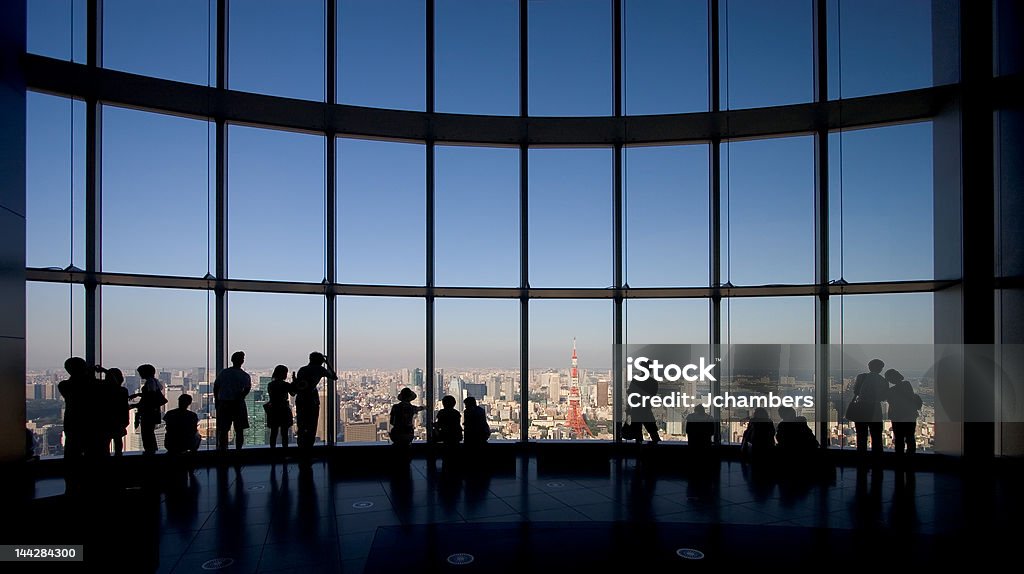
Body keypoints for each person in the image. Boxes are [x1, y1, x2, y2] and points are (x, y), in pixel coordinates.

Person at [294, 352, 338, 450]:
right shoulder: (320, 369)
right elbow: (334, 377)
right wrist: (328, 363)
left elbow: (299, 385)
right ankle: (309, 449)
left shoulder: (302, 369)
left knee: (301, 424)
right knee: (312, 426)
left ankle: (301, 448)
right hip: (312, 400)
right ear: (320, 361)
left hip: (301, 399)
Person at [213, 351, 252, 451]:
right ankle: (238, 450)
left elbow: (216, 387)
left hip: (224, 403)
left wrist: (217, 401)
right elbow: (247, 389)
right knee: (239, 430)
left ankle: (223, 450)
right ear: (242, 361)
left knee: (223, 430)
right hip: (238, 404)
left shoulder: (224, 373)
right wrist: (241, 397)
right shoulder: (244, 375)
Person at [851, 358, 887, 456]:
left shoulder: (861, 377)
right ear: (880, 369)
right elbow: (884, 397)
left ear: (869, 367)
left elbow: (855, 391)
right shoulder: (882, 380)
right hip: (875, 409)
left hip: (861, 408)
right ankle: (877, 458)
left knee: (861, 435)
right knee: (876, 436)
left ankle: (862, 458)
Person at [57, 357, 90, 458]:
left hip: (72, 423)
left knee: (72, 452)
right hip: (90, 423)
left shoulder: (64, 385)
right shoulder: (94, 385)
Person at [885, 369, 922, 456]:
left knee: (899, 439)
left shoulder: (891, 390)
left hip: (897, 416)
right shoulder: (907, 385)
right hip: (910, 415)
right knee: (910, 438)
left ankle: (900, 458)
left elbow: (889, 399)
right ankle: (910, 458)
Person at [97, 367, 130, 456]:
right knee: (118, 441)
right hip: (119, 420)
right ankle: (118, 457)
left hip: (105, 420)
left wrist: (105, 372)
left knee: (105, 443)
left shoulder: (102, 390)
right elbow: (124, 407)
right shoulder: (123, 391)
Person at [134, 364, 167, 455]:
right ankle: (151, 451)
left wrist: (138, 405)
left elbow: (150, 396)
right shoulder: (154, 381)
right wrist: (138, 395)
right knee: (149, 432)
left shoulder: (150, 382)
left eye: (141, 372)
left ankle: (150, 451)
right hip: (153, 411)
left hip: (149, 412)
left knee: (147, 433)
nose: (140, 375)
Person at [625, 375, 661, 445]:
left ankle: (640, 453)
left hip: (636, 410)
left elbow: (629, 393)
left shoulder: (635, 380)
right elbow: (653, 394)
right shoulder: (653, 382)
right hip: (646, 410)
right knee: (654, 434)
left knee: (638, 436)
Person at [266, 365, 295, 449]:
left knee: (273, 432)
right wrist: (293, 383)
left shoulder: (270, 384)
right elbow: (293, 393)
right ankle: (284, 451)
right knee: (284, 433)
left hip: (274, 409)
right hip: (284, 410)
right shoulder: (285, 385)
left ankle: (273, 451)